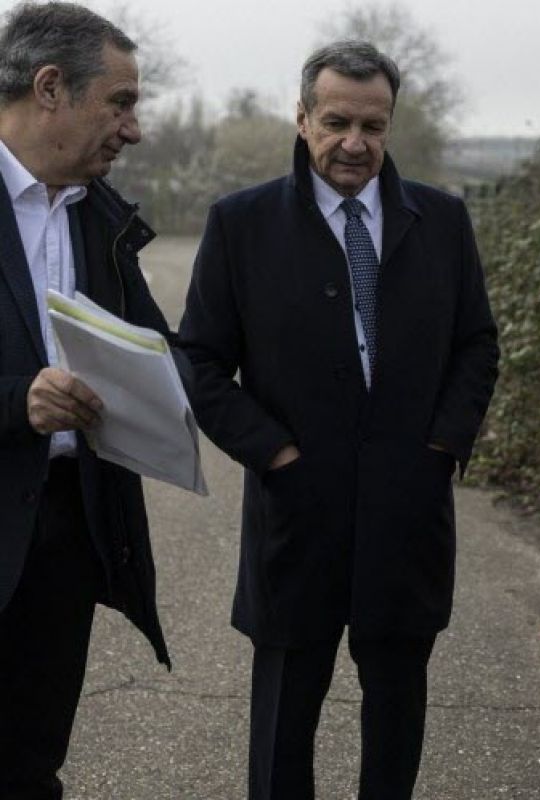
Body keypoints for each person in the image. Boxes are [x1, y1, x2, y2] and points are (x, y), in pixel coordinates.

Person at [179, 41, 499, 800]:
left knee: (397, 713)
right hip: (297, 510)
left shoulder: (443, 220)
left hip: (407, 509)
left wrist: (443, 446)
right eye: (336, 122)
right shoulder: (241, 224)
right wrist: (274, 454)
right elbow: (196, 361)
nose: (355, 143)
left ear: (389, 125)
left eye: (373, 125)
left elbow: (477, 344)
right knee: (285, 716)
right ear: (301, 118)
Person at [0, 3, 177, 798]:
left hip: (64, 530)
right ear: (49, 88)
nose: (132, 129)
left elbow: (157, 353)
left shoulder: (103, 218)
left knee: (31, 764)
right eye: (121, 101)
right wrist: (14, 403)